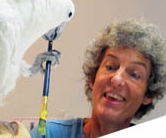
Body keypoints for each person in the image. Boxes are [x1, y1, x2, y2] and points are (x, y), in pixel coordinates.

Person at [30, 18, 166, 138]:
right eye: (110, 67)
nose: (117, 79)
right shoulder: (48, 134)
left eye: (134, 74)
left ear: (148, 95)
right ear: (93, 79)